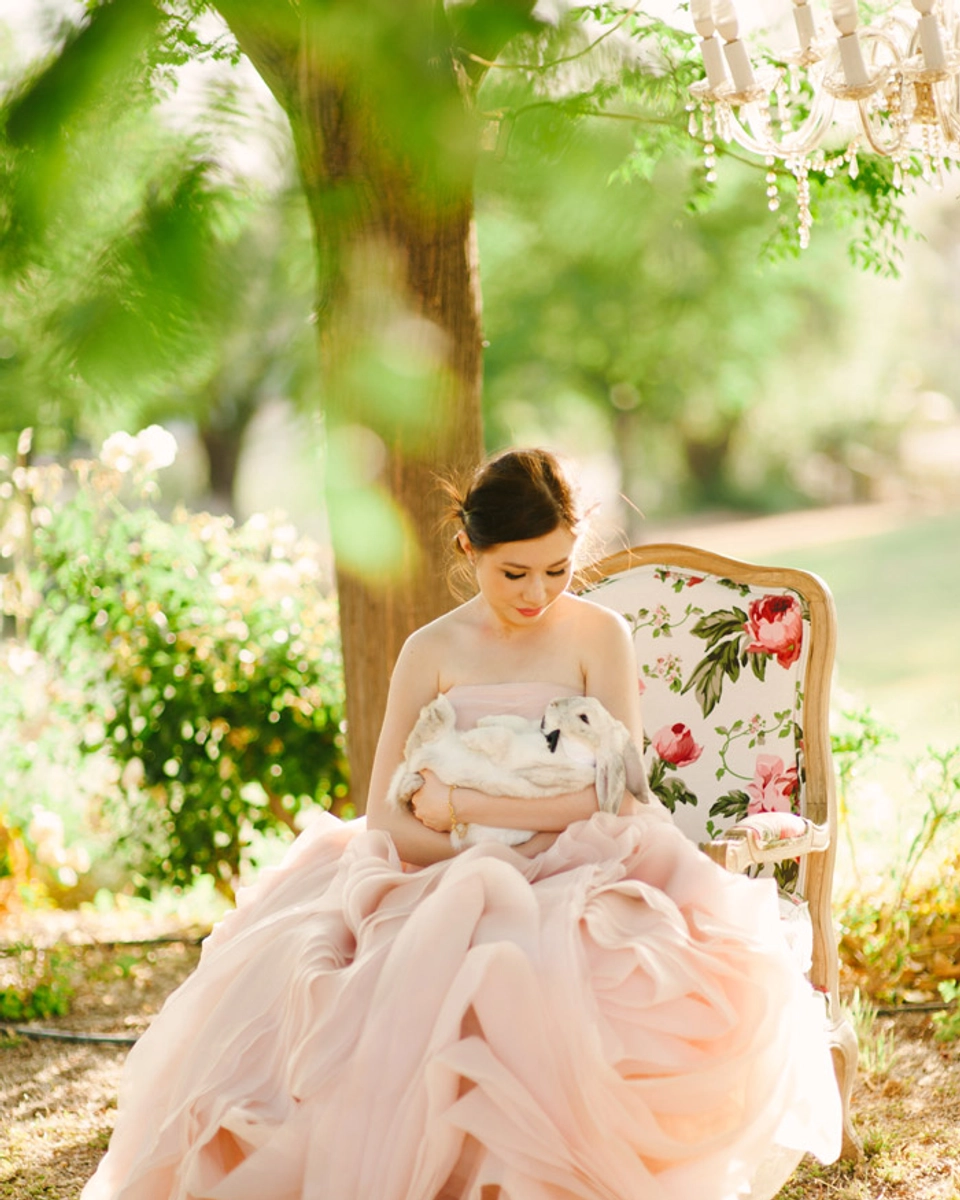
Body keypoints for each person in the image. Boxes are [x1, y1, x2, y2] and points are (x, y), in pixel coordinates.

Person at [83, 448, 841, 1200]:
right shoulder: (430, 651)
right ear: (468, 549)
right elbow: (386, 819)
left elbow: (618, 795)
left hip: (583, 861)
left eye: (557, 568)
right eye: (514, 573)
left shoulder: (598, 635)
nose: (538, 593)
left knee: (595, 971)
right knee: (380, 969)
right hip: (434, 867)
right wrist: (470, 858)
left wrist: (471, 811)